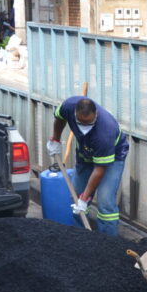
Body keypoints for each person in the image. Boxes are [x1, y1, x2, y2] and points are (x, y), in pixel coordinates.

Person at [46, 97, 129, 236]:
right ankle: (81, 237)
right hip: (86, 152)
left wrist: (85, 197)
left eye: (89, 123)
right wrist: (55, 139)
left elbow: (99, 170)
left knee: (105, 202)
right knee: (76, 197)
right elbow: (60, 119)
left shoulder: (105, 131)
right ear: (74, 114)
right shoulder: (68, 106)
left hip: (112, 156)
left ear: (96, 114)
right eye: (81, 123)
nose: (85, 127)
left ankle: (109, 242)